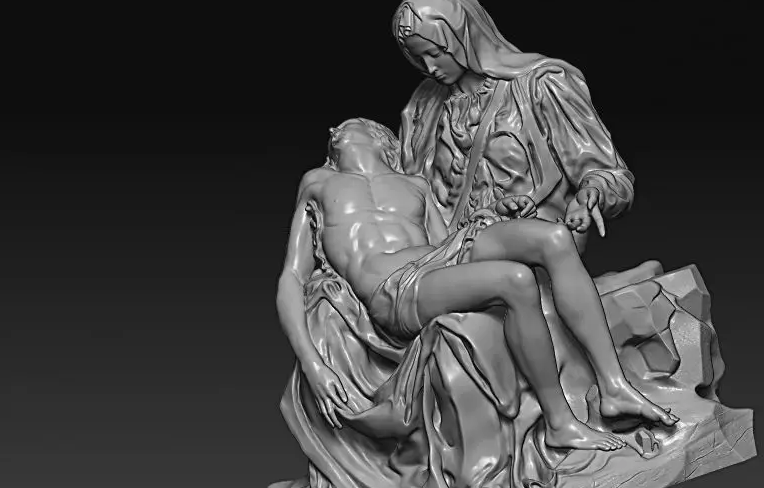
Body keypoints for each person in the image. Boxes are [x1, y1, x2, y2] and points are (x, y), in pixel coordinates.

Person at [277, 117, 675, 454]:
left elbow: (447, 241)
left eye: (347, 127)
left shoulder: (414, 184)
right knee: (515, 280)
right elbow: (293, 276)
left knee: (555, 238)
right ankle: (560, 423)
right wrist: (313, 364)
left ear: (380, 138)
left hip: (440, 257)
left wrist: (495, 213)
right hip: (395, 289)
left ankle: (614, 386)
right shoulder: (319, 182)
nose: (335, 131)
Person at [393, 0, 647, 261]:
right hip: (446, 251)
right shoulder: (424, 105)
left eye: (435, 53)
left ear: (464, 36)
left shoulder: (541, 85)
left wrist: (591, 193)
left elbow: (611, 175)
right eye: (419, 57)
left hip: (531, 248)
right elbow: (404, 186)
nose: (430, 67)